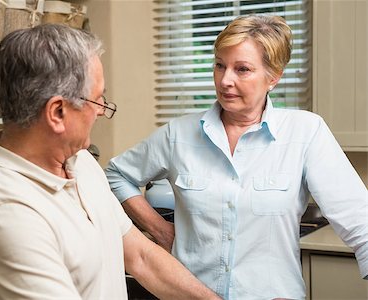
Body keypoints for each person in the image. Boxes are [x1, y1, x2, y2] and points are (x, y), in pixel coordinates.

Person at [105, 14, 368, 299]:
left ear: (273, 77)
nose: (225, 80)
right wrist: (161, 230)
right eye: (220, 65)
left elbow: (359, 221)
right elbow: (116, 175)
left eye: (242, 69)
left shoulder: (305, 132)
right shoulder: (178, 134)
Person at [0, 24, 221, 300]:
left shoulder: (80, 161)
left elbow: (141, 257)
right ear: (57, 112)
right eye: (97, 101)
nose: (101, 112)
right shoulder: (2, 209)